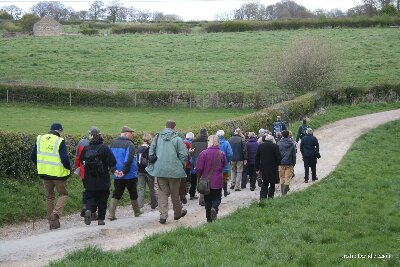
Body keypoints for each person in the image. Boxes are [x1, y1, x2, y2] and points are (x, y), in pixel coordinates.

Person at [146, 120, 188, 224]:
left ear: (165, 127)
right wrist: (181, 165)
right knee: (175, 193)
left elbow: (151, 152)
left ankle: (163, 216)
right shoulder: (177, 139)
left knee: (162, 194)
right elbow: (184, 154)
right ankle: (177, 213)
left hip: (160, 170)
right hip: (174, 171)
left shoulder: (157, 137)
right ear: (174, 128)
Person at [30, 123, 71, 230]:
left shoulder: (40, 139)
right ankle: (55, 214)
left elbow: (32, 156)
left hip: (44, 174)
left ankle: (51, 223)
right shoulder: (59, 141)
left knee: (49, 197)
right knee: (64, 194)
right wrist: (68, 169)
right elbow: (65, 159)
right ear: (59, 131)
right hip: (58, 174)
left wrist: (41, 165)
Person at [80, 127, 117, 226]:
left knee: (90, 196)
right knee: (102, 199)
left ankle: (89, 210)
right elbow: (112, 161)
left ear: (91, 136)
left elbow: (81, 160)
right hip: (102, 178)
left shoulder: (86, 148)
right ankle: (101, 219)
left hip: (89, 179)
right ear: (100, 136)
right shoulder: (104, 148)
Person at [108, 126, 142, 220]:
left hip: (116, 173)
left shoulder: (112, 143)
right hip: (129, 173)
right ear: (126, 133)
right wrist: (124, 171)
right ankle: (137, 212)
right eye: (131, 133)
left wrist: (114, 170)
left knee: (116, 193)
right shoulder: (129, 144)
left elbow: (109, 159)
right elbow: (129, 159)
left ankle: (111, 214)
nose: (132, 135)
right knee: (133, 192)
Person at [195, 135, 226, 223]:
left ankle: (209, 219)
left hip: (206, 181)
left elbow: (199, 168)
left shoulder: (203, 153)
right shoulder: (221, 153)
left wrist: (199, 176)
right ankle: (214, 207)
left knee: (207, 199)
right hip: (217, 180)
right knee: (217, 198)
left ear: (209, 142)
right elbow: (224, 164)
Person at [74, 127, 99, 218]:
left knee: (87, 189)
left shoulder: (81, 142)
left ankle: (85, 206)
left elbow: (77, 157)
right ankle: (92, 212)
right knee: (95, 191)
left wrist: (77, 168)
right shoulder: (99, 144)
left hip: (84, 172)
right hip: (95, 172)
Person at [255, 135, 282, 200]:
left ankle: (263, 198)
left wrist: (257, 168)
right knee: (272, 183)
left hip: (263, 167)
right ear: (272, 140)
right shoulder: (275, 146)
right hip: (273, 167)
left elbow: (257, 158)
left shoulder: (260, 146)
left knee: (265, 182)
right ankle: (270, 197)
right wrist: (277, 164)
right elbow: (279, 158)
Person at [136, 133, 158, 210]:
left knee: (141, 189)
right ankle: (154, 204)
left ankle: (139, 206)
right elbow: (152, 159)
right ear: (149, 140)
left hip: (140, 171)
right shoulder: (150, 148)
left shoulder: (139, 148)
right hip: (149, 171)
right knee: (151, 188)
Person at [190, 128, 208, 201]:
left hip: (196, 163)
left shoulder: (194, 142)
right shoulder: (207, 142)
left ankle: (200, 196)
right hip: (206, 163)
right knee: (205, 180)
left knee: (199, 179)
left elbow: (191, 153)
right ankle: (203, 198)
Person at [277, 130, 296, 196]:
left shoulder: (278, 143)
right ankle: (284, 193)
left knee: (282, 177)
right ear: (288, 135)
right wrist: (294, 163)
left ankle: (283, 193)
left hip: (281, 163)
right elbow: (294, 154)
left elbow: (277, 154)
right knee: (288, 178)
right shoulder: (291, 143)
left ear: (282, 135)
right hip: (289, 162)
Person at [216, 130, 233, 197]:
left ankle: (218, 193)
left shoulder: (214, 143)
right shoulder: (226, 143)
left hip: (216, 164)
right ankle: (225, 191)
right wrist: (227, 161)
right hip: (224, 164)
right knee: (224, 178)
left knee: (217, 178)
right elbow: (230, 154)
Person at [180, 132, 194, 204]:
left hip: (180, 166)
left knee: (182, 180)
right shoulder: (188, 144)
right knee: (187, 180)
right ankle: (184, 193)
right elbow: (189, 155)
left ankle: (182, 194)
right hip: (187, 165)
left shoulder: (177, 144)